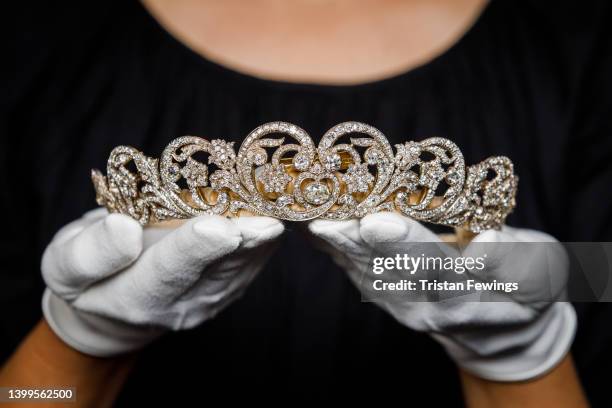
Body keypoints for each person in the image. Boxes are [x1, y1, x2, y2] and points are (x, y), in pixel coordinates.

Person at [2, 0, 610, 405]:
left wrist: (522, 355)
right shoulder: (33, 34)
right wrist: (77, 343)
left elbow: (595, 275)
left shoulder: (586, 40)